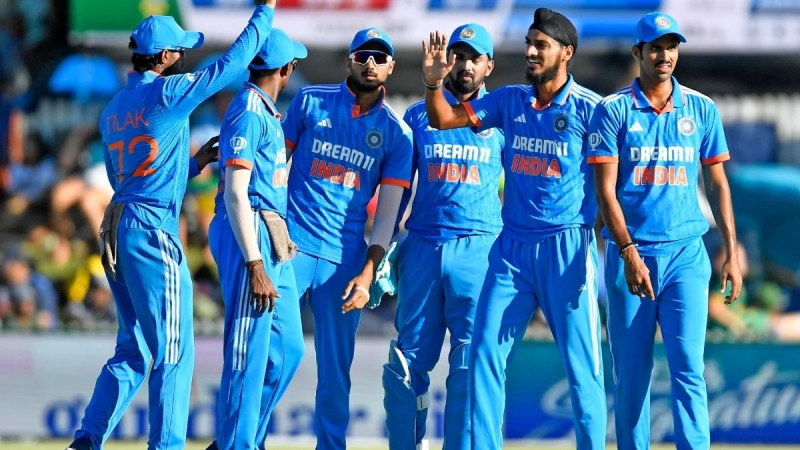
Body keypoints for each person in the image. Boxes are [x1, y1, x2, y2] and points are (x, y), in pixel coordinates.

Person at [67, 1, 277, 449]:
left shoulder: (113, 108)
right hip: (151, 231)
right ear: (164, 57)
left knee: (134, 349)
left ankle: (86, 439)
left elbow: (130, 178)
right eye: (180, 50)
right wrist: (265, 11)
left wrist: (193, 163)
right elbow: (232, 64)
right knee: (174, 353)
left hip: (117, 226)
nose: (184, 57)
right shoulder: (168, 93)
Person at [422, 8, 607, 450]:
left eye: (541, 45)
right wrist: (432, 83)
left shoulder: (593, 109)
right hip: (511, 251)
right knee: (483, 352)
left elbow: (614, 185)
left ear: (567, 52)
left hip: (566, 247)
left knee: (582, 370)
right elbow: (442, 119)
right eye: (529, 43)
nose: (530, 51)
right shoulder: (509, 100)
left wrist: (627, 246)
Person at [588, 12, 742, 450]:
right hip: (630, 258)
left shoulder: (701, 108)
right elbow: (604, 192)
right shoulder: (612, 111)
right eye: (655, 47)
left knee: (689, 368)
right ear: (637, 52)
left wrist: (731, 253)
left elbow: (718, 184)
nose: (664, 55)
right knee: (631, 374)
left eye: (671, 47)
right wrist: (628, 252)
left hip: (686, 256)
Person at [281, 27, 413, 450]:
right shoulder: (310, 100)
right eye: (363, 56)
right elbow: (275, 168)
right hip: (291, 246)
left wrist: (368, 272)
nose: (370, 63)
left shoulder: (396, 134)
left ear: (391, 67)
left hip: (345, 262)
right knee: (275, 352)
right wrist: (268, 231)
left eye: (380, 57)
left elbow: (388, 214)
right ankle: (243, 440)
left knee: (335, 372)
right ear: (349, 61)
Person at [383, 23, 504, 450]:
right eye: (459, 56)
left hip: (480, 249)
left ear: (489, 66)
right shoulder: (418, 115)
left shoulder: (503, 116)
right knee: (404, 366)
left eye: (475, 58)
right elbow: (398, 187)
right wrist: (382, 248)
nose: (466, 65)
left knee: (471, 365)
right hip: (423, 248)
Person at [208, 29, 307, 450]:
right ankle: (236, 443)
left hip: (271, 231)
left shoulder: (262, 109)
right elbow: (236, 192)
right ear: (285, 69)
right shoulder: (249, 110)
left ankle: (237, 438)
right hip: (248, 231)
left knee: (289, 350)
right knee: (247, 351)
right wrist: (254, 262)